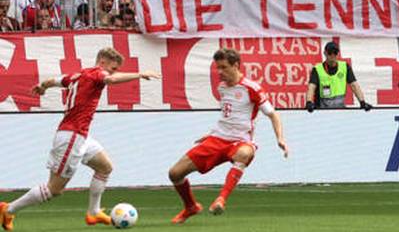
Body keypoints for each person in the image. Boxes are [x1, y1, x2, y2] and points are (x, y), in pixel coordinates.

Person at [0, 47, 158, 228]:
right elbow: (111, 79)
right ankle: (8, 209)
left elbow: (55, 81)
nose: (113, 72)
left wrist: (42, 86)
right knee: (55, 188)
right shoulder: (97, 74)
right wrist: (139, 74)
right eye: (113, 67)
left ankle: (94, 212)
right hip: (71, 137)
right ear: (103, 62)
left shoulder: (79, 75)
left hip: (80, 136)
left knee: (105, 167)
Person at [167, 48, 289, 224]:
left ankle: (221, 199)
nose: (219, 72)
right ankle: (191, 207)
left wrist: (280, 139)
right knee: (174, 173)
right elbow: (228, 116)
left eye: (223, 67)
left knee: (245, 153)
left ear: (236, 65)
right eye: (217, 68)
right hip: (216, 139)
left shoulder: (252, 88)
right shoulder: (222, 87)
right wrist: (210, 135)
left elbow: (273, 115)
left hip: (240, 142)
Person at [306, 41, 373, 111]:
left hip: (340, 110)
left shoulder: (345, 67)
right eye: (330, 52)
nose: (332, 55)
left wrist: (362, 102)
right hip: (322, 110)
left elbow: (354, 85)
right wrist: (309, 102)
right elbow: (311, 88)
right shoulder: (317, 69)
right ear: (325, 53)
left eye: (335, 52)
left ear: (338, 53)